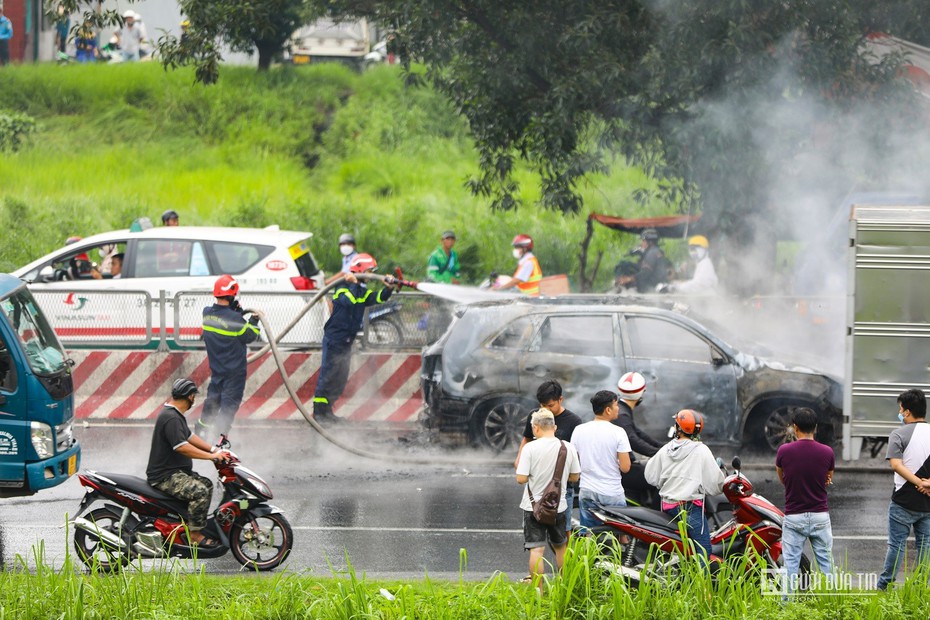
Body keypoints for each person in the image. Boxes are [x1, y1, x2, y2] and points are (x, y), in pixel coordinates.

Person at [313, 253, 399, 423]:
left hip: (347, 340)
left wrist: (388, 288)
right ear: (360, 270)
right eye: (369, 271)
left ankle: (328, 411)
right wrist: (353, 283)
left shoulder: (361, 290)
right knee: (329, 374)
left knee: (340, 376)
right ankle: (319, 413)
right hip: (335, 338)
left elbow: (377, 298)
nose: (371, 274)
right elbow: (347, 301)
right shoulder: (342, 287)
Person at [146, 378, 231, 547]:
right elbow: (182, 447)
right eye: (194, 396)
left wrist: (214, 450)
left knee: (206, 484)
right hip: (165, 476)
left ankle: (186, 523)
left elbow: (190, 437)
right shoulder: (171, 418)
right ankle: (194, 535)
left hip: (175, 472)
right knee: (200, 492)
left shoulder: (175, 415)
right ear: (191, 397)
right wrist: (211, 457)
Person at [515, 408, 581, 593]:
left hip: (533, 507)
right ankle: (564, 588)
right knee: (561, 547)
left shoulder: (530, 448)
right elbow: (575, 477)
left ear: (535, 428)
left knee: (537, 551)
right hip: (558, 507)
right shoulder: (568, 447)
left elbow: (520, 478)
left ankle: (539, 592)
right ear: (555, 426)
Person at [645, 409, 724, 560]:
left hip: (667, 506)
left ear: (678, 428)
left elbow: (650, 476)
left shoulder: (665, 449)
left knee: (676, 548)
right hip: (690, 508)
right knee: (703, 549)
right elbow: (715, 484)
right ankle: (701, 583)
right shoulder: (701, 450)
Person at [775, 407, 835, 592]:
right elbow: (827, 478)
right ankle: (832, 603)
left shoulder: (784, 450)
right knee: (826, 565)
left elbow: (782, 477)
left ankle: (787, 608)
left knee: (790, 566)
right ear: (815, 427)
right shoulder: (827, 452)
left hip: (794, 516)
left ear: (795, 427)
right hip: (819, 516)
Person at [877, 388, 930, 591]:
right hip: (927, 502)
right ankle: (920, 587)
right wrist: (927, 484)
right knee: (925, 546)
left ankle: (884, 587)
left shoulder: (898, 434)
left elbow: (897, 465)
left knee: (896, 546)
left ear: (907, 412)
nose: (900, 413)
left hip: (903, 501)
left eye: (901, 409)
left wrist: (918, 483)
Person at [197, 275, 261, 441]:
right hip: (234, 373)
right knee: (228, 406)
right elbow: (249, 335)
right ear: (232, 295)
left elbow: (225, 320)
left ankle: (201, 433)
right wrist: (254, 320)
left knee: (212, 401)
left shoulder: (207, 313)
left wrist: (236, 312)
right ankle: (220, 439)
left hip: (217, 370)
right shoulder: (235, 319)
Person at [513, 380, 584, 532]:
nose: (546, 410)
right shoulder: (535, 416)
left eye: (550, 405)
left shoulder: (574, 422)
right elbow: (526, 438)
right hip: (537, 483)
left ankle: (566, 556)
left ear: (561, 399)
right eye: (542, 405)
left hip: (562, 488)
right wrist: (519, 458)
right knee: (536, 530)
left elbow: (576, 453)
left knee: (563, 531)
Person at [571, 390, 632, 529]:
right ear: (608, 410)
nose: (619, 409)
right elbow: (625, 467)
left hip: (587, 490)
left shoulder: (579, 430)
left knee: (589, 534)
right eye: (616, 405)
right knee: (619, 534)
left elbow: (575, 461)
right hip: (612, 492)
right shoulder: (618, 432)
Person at [612, 371, 663, 503]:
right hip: (622, 470)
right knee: (662, 478)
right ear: (641, 393)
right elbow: (633, 440)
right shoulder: (622, 414)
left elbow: (638, 433)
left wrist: (662, 448)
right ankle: (658, 518)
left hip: (624, 466)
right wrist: (658, 453)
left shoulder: (622, 410)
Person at [618, 229, 672, 293]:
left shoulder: (652, 253)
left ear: (650, 242)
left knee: (625, 266)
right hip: (657, 280)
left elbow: (645, 272)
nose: (642, 243)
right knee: (627, 264)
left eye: (643, 241)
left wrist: (629, 279)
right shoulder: (656, 251)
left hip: (651, 285)